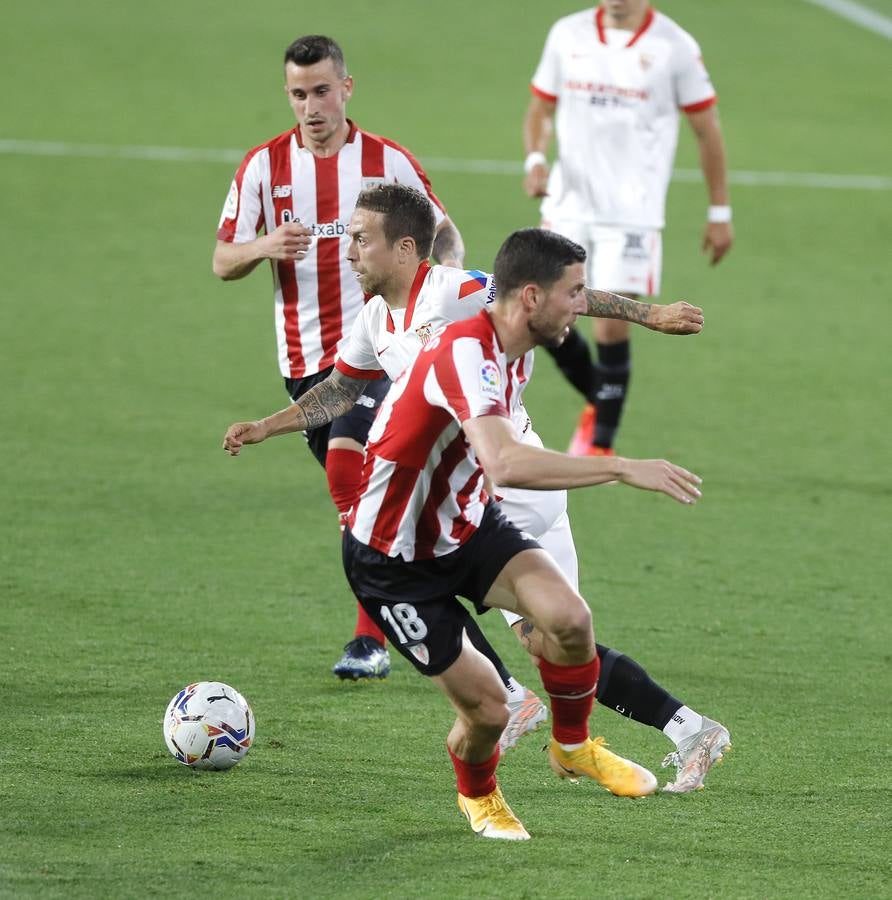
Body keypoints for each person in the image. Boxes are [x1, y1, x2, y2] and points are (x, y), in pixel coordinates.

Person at [223, 184, 731, 793]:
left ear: (405, 249)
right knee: (558, 640)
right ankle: (689, 729)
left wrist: (650, 315)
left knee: (416, 574)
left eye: (360, 239)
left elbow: (549, 297)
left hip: (504, 484)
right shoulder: (376, 318)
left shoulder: (452, 290)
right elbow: (340, 389)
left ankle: (510, 702)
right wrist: (267, 426)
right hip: (521, 480)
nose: (347, 251)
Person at [213, 34, 468, 681]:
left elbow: (445, 234)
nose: (311, 107)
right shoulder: (263, 167)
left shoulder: (388, 161)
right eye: (298, 94)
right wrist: (264, 246)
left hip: (383, 352)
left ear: (346, 89)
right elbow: (222, 260)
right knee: (365, 498)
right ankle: (431, 593)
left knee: (351, 471)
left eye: (322, 91)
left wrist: (438, 294)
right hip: (306, 362)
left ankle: (372, 638)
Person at [523, 0, 733, 456]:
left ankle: (601, 443)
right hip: (568, 203)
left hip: (633, 213)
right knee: (542, 315)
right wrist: (536, 158)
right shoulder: (567, 33)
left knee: (612, 326)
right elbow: (540, 108)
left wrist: (719, 211)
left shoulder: (674, 47)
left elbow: (707, 130)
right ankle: (601, 399)